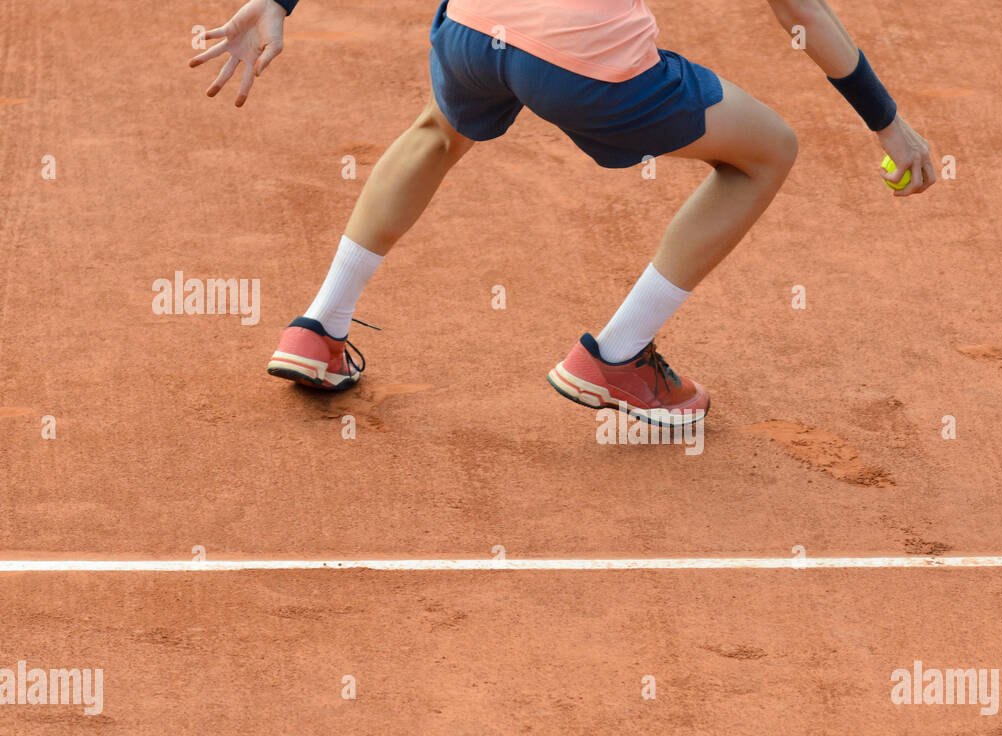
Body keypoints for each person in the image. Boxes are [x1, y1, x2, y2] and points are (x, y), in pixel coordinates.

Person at [190, 0, 936, 426]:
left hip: (471, 34)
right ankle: (617, 357)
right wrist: (887, 123)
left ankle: (319, 327)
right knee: (768, 149)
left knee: (437, 131)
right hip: (584, 63)